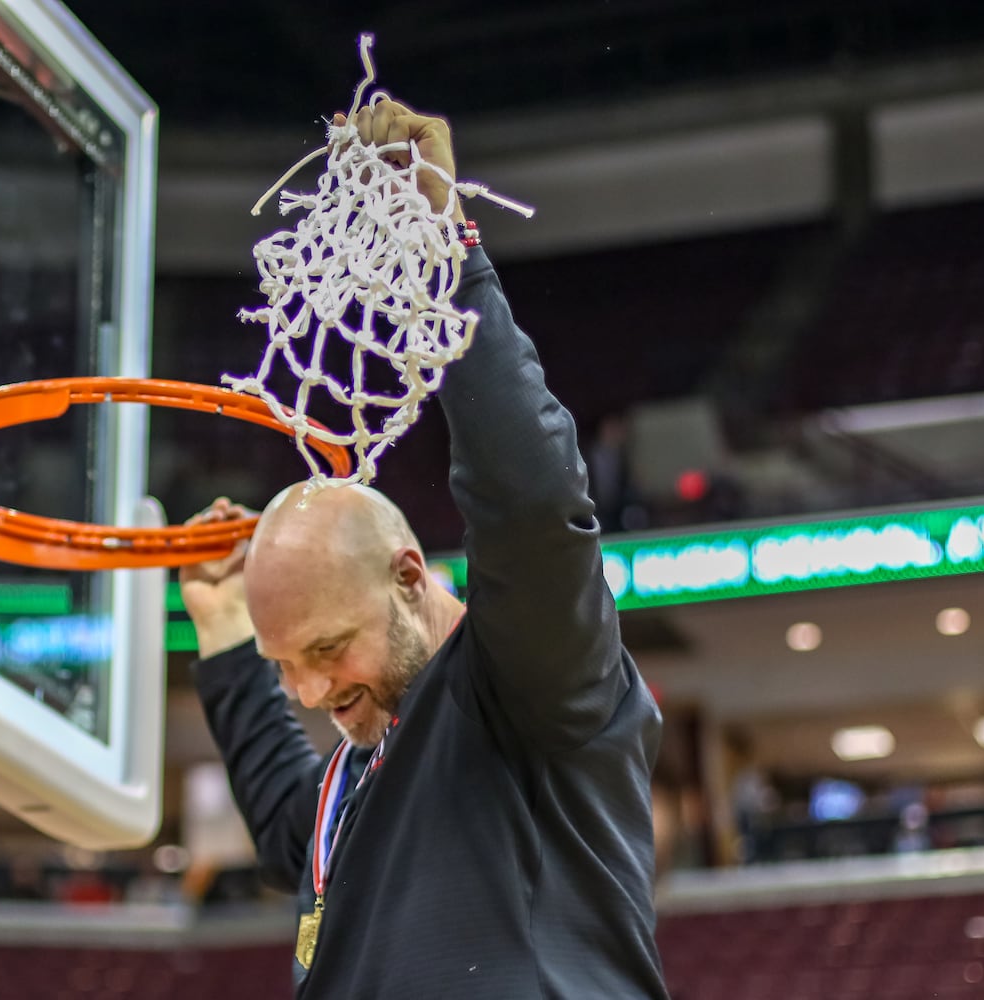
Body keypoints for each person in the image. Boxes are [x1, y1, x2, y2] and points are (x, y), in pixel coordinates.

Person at [181, 96, 668, 999]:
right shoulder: (359, 775)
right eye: (286, 665)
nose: (311, 692)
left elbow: (531, 503)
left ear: (410, 576)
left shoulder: (529, 686)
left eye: (326, 650)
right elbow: (291, 830)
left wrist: (448, 250)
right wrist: (221, 634)